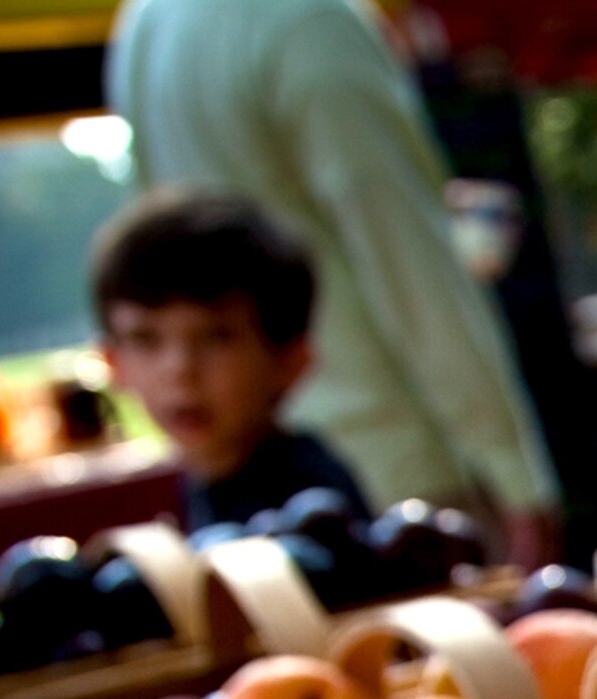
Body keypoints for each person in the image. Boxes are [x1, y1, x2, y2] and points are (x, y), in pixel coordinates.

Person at [107, 0, 560, 564]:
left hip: (254, 486)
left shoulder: (147, 26)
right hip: (393, 477)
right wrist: (513, 470)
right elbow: (406, 254)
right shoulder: (308, 19)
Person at [90, 191, 369, 532]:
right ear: (112, 362)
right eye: (145, 340)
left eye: (215, 338)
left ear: (291, 362)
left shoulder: (308, 507)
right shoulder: (203, 481)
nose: (179, 370)